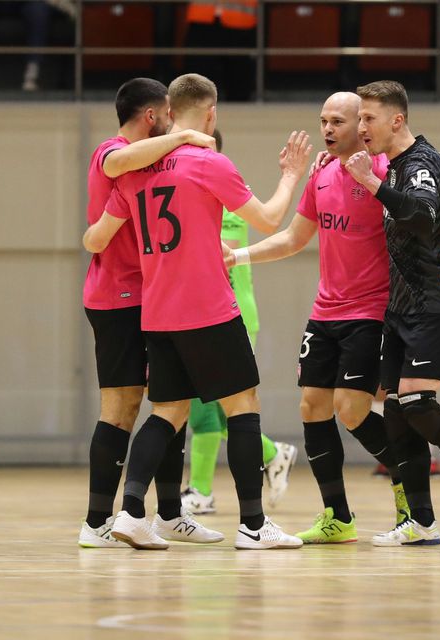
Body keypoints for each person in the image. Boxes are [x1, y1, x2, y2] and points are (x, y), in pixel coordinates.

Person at [225, 91, 440, 544]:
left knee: (351, 408)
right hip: (325, 311)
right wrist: (236, 257)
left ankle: (407, 486)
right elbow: (294, 239)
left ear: (364, 125)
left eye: (339, 120)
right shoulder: (321, 176)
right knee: (312, 407)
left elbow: (427, 222)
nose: (328, 129)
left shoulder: (384, 173)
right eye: (323, 120)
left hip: (373, 310)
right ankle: (338, 517)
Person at [84, 73, 310, 550]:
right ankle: (253, 525)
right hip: (207, 304)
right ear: (210, 113)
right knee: (243, 405)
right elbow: (270, 220)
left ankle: (129, 512)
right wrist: (291, 175)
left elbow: (98, 236)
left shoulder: (134, 171)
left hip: (156, 311)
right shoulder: (209, 162)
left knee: (166, 411)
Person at [342, 80, 440, 547]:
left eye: (368, 118)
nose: (360, 126)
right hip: (403, 306)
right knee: (393, 408)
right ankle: (421, 521)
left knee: (415, 401)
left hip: (438, 301)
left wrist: (369, 184)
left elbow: (424, 215)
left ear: (397, 119)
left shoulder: (421, 163)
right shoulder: (392, 167)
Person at [79, 76, 224, 549]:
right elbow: (116, 170)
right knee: (120, 409)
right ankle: (98, 521)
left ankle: (169, 513)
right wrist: (183, 135)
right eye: (166, 115)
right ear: (151, 116)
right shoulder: (112, 151)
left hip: (154, 297)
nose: (171, 121)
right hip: (117, 298)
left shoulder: (156, 164)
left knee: (170, 401)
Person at [180, 127, 297, 516]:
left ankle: (200, 489)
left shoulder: (226, 191)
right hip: (197, 311)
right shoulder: (187, 190)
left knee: (210, 403)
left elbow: (222, 248)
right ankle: (269, 454)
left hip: (232, 313)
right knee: (208, 405)